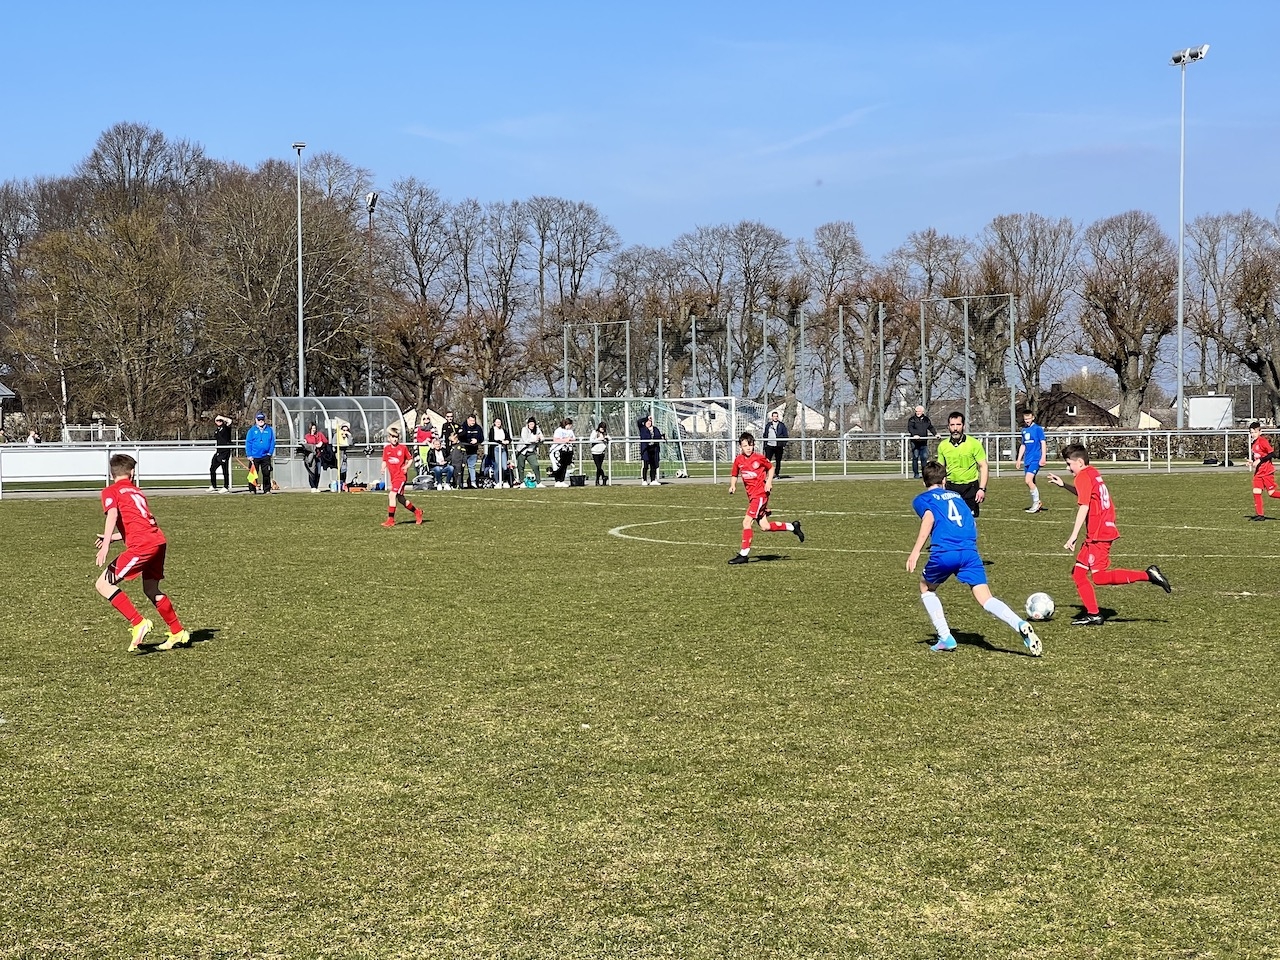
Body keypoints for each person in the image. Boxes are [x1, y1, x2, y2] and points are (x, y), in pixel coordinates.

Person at [906, 461, 1042, 655]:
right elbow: (972, 523)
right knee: (986, 598)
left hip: (945, 552)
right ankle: (1019, 623)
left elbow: (929, 519)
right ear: (944, 480)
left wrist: (915, 551)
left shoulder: (922, 499)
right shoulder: (957, 496)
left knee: (926, 588)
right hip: (969, 551)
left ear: (923, 482)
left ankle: (945, 637)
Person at [1046, 443, 1171, 626]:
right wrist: (1064, 485)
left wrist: (1073, 535)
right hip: (1102, 530)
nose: (1067, 468)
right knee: (1078, 573)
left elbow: (1084, 506)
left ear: (1079, 462)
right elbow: (1088, 495)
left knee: (1098, 577)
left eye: (1069, 464)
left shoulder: (1082, 476)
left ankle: (1148, 575)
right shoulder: (1093, 472)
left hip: (1098, 534)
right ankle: (1093, 614)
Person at [94, 453, 190, 653]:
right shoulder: (136, 492)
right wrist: (113, 538)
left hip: (143, 546)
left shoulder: (111, 491)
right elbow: (141, 523)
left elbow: (112, 514)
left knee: (103, 584)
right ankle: (177, 631)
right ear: (132, 473)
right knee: (151, 589)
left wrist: (105, 546)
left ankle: (138, 622)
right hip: (157, 541)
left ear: (111, 474)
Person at [727, 431, 805, 565]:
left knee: (746, 522)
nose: (748, 448)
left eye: (750, 445)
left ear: (753, 445)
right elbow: (734, 474)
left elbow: (771, 468)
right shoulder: (739, 460)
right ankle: (793, 527)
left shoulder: (759, 458)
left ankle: (743, 555)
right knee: (765, 526)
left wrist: (768, 482)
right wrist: (733, 485)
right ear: (740, 446)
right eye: (745, 446)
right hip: (752, 497)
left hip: (760, 495)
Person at [935, 411, 988, 518]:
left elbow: (983, 466)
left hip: (970, 487)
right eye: (952, 425)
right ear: (948, 427)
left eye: (958, 424)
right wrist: (940, 487)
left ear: (963, 426)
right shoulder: (943, 445)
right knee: (951, 519)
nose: (955, 428)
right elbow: (940, 469)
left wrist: (982, 489)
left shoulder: (974, 444)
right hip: (951, 487)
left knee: (970, 520)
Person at [379, 425, 423, 527]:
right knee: (401, 499)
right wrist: (383, 467)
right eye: (393, 437)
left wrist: (406, 466)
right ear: (389, 438)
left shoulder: (402, 448)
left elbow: (410, 459)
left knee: (392, 495)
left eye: (396, 437)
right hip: (393, 478)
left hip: (401, 477)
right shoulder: (386, 449)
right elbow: (385, 460)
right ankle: (417, 512)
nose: (395, 439)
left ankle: (391, 520)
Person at [1015, 409, 1047, 513]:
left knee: (1028, 480)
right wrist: (1019, 459)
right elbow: (1023, 445)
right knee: (1031, 481)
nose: (1027, 421)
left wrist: (1043, 457)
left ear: (1033, 417)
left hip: (1035, 458)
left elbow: (1043, 443)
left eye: (1029, 418)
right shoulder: (1024, 430)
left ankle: (1036, 503)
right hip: (1027, 460)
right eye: (1025, 419)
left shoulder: (1038, 429)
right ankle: (1037, 503)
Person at [1247, 421, 1280, 521]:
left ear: (1260, 432)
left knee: (1271, 493)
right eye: (1251, 432)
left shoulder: (1263, 441)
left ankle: (1260, 514)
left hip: (1267, 472)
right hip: (1258, 473)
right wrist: (1252, 462)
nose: (1253, 434)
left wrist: (1260, 460)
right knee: (1256, 491)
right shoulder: (1254, 443)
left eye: (1255, 432)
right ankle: (1260, 515)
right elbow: (1258, 456)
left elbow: (1272, 454)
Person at [245, 412, 276, 494]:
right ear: (256, 420)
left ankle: (267, 490)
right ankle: (252, 489)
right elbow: (248, 443)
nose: (260, 421)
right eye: (259, 419)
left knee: (266, 473)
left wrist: (270, 453)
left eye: (262, 419)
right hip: (254, 456)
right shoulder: (252, 430)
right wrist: (249, 455)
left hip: (265, 455)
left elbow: (272, 442)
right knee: (253, 474)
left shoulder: (269, 430)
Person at [906, 405, 937, 479]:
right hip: (915, 442)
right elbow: (910, 428)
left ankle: (924, 473)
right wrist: (914, 435)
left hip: (923, 442)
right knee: (915, 457)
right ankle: (916, 474)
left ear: (923, 412)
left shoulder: (926, 419)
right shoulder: (912, 419)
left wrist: (935, 434)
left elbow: (930, 427)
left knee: (924, 457)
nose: (918, 413)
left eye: (919, 411)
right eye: (916, 411)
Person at [517, 416, 545, 486]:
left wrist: (540, 439)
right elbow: (525, 440)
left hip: (531, 451)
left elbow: (542, 437)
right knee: (521, 467)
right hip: (522, 451)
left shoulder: (537, 429)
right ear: (528, 424)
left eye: (533, 424)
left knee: (535, 465)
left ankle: (539, 482)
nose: (532, 425)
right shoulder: (524, 429)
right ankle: (521, 482)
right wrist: (534, 439)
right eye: (530, 424)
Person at [302, 420, 328, 493]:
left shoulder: (319, 434)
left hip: (318, 456)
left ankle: (316, 486)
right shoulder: (307, 436)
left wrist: (321, 442)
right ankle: (313, 486)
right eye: (312, 428)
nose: (314, 430)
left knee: (318, 472)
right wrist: (315, 446)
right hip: (311, 457)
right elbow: (306, 445)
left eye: (315, 428)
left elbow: (325, 441)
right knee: (312, 471)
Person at [209, 414, 233, 492]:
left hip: (225, 452)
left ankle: (226, 487)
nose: (219, 422)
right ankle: (213, 486)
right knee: (212, 468)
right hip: (218, 451)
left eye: (220, 421)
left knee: (224, 469)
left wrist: (222, 417)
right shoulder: (217, 429)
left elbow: (230, 421)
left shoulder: (226, 428)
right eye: (217, 421)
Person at [458, 414, 484, 489]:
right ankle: (460, 483)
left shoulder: (478, 428)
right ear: (467, 420)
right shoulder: (463, 427)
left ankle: (473, 482)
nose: (472, 422)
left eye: (473, 420)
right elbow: (461, 437)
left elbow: (481, 438)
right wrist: (470, 441)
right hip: (463, 451)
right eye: (471, 420)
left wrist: (477, 440)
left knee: (472, 466)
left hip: (473, 451)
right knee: (461, 467)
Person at [549, 418, 576, 486]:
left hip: (567, 450)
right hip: (557, 450)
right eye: (569, 425)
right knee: (558, 466)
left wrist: (569, 440)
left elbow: (573, 438)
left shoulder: (570, 431)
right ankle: (557, 481)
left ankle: (562, 480)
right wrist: (564, 440)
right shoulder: (558, 430)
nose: (570, 427)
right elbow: (555, 440)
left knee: (564, 466)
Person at [763, 410, 789, 478]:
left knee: (778, 461)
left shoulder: (781, 425)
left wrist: (783, 444)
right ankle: (767, 474)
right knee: (767, 461)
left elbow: (785, 435)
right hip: (769, 446)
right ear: (772, 417)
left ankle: (777, 474)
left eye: (776, 416)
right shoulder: (768, 425)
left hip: (778, 446)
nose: (775, 417)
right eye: (774, 416)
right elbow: (765, 435)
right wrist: (765, 445)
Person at [638, 414, 663, 485]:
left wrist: (662, 437)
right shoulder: (642, 429)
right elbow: (639, 421)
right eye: (647, 421)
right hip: (646, 449)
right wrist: (646, 418)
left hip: (654, 449)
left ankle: (653, 479)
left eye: (650, 422)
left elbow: (658, 436)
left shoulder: (655, 429)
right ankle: (644, 480)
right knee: (645, 465)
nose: (649, 423)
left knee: (653, 465)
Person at [488, 416, 512, 488]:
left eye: (499, 422)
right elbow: (491, 439)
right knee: (497, 466)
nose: (498, 423)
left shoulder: (503, 430)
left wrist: (507, 441)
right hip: (496, 449)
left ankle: (504, 481)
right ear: (494, 423)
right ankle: (497, 482)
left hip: (503, 449)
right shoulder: (492, 430)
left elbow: (509, 438)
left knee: (504, 467)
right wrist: (501, 442)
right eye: (497, 422)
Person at [590, 421, 610, 486]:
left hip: (602, 452)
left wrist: (606, 439)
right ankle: (603, 477)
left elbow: (609, 438)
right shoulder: (595, 432)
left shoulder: (605, 434)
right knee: (598, 467)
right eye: (601, 428)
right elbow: (591, 440)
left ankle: (597, 481)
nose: (602, 429)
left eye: (604, 428)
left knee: (599, 467)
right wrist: (598, 439)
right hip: (595, 452)